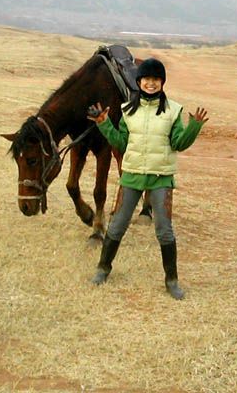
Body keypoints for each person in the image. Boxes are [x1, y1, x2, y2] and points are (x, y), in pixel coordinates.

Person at [86, 57, 208, 300]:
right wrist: (104, 124)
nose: (150, 83)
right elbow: (121, 143)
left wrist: (193, 128)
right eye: (146, 79)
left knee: (164, 230)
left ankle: (171, 280)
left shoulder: (173, 111)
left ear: (162, 82)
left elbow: (178, 144)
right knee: (118, 226)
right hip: (132, 176)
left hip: (161, 178)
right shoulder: (126, 111)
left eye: (155, 79)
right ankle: (103, 269)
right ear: (139, 81)